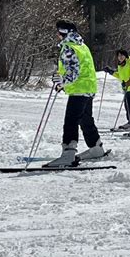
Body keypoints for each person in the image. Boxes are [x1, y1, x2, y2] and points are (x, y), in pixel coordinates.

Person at [44, 20, 106, 167]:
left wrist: (61, 81)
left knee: (71, 120)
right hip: (88, 88)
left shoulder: (68, 48)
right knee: (85, 119)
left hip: (79, 90)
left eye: (58, 33)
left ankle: (68, 153)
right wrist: (63, 84)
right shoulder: (82, 46)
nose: (57, 35)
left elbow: (73, 72)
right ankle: (96, 147)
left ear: (64, 33)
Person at [103, 49, 130, 130]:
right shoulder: (121, 65)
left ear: (125, 56)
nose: (120, 57)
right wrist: (110, 71)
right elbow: (120, 76)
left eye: (122, 55)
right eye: (118, 56)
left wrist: (129, 81)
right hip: (127, 88)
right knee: (127, 106)